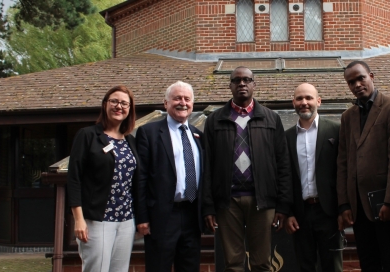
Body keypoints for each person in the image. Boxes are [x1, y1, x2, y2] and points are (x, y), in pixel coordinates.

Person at [202, 66, 291, 272]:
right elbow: (207, 166)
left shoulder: (271, 118)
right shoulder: (214, 120)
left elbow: (283, 164)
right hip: (227, 201)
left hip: (262, 200)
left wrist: (283, 205)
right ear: (230, 85)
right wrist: (208, 206)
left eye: (247, 80)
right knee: (233, 264)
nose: (242, 83)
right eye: (236, 80)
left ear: (254, 84)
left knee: (262, 262)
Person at [337, 60, 390, 272]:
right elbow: (342, 162)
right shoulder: (348, 116)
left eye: (361, 78)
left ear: (371, 76)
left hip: (386, 203)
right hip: (358, 208)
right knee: (368, 265)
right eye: (351, 82)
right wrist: (344, 205)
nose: (357, 84)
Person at [66, 85, 138, 272]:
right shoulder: (88, 135)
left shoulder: (130, 141)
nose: (119, 106)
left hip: (126, 220)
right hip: (97, 219)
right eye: (114, 101)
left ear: (129, 110)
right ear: (105, 104)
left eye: (124, 103)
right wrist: (79, 219)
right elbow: (74, 179)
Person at [134, 81, 204, 272]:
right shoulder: (149, 133)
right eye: (177, 98)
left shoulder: (199, 136)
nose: (182, 102)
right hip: (162, 217)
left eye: (187, 99)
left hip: (192, 215)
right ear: (166, 103)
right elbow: (141, 178)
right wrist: (142, 217)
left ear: (192, 104)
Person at [284, 83, 343, 272]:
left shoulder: (336, 130)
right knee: (304, 266)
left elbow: (343, 172)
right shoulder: (286, 137)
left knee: (332, 267)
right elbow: (284, 177)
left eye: (309, 98)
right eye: (299, 98)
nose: (304, 102)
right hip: (300, 215)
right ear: (293, 102)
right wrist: (288, 212)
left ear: (318, 100)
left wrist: (343, 208)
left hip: (329, 213)